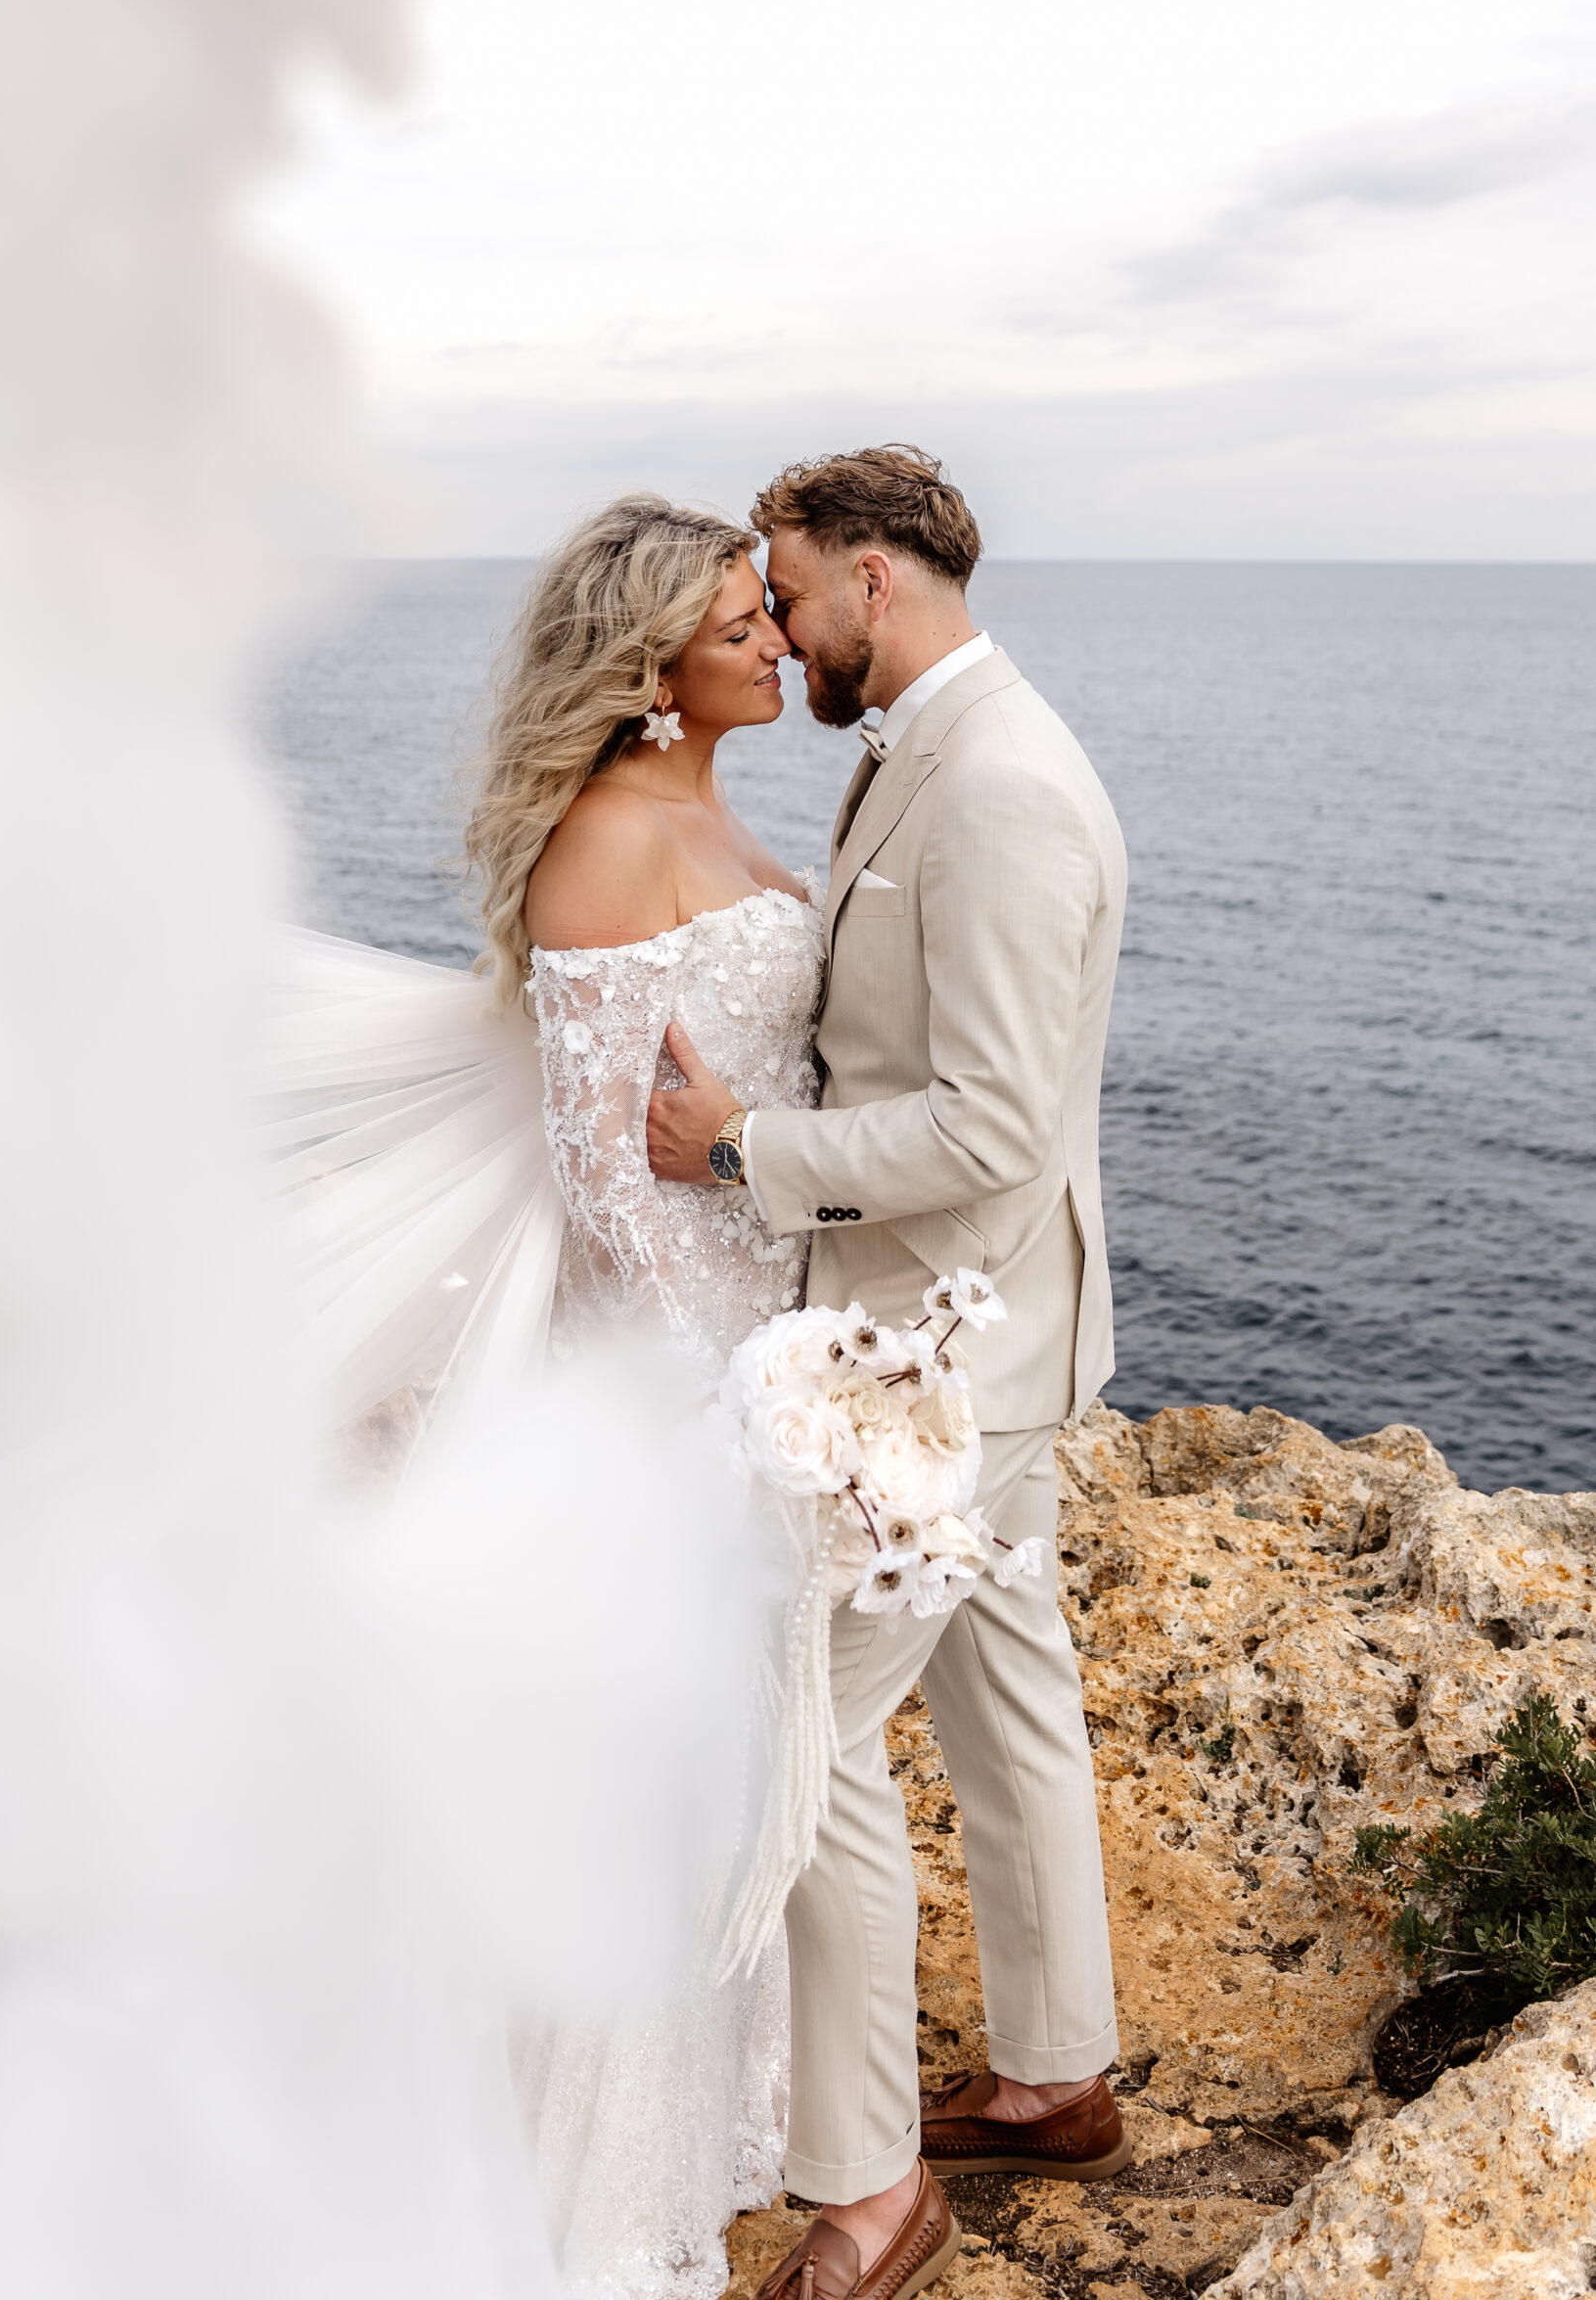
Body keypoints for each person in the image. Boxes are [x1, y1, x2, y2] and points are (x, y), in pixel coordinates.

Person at [267, 492, 827, 2300]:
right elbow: (601, 1181)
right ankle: (587, 2201)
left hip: (763, 1326)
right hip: (678, 1373)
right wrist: (719, 1395)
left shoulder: (705, 806)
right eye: (738, 622)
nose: (774, 638)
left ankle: (715, 2124)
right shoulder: (605, 839)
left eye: (768, 612)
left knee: (727, 1757)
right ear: (652, 667)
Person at [647, 444, 1133, 2300]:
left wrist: (740, 1149)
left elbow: (994, 1124)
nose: (777, 632)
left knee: (818, 1740)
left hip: (948, 1353)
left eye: (786, 594)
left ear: (874, 575)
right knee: (1011, 1699)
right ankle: (1058, 2077)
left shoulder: (997, 784)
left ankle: (868, 2196)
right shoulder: (933, 746)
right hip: (986, 1328)